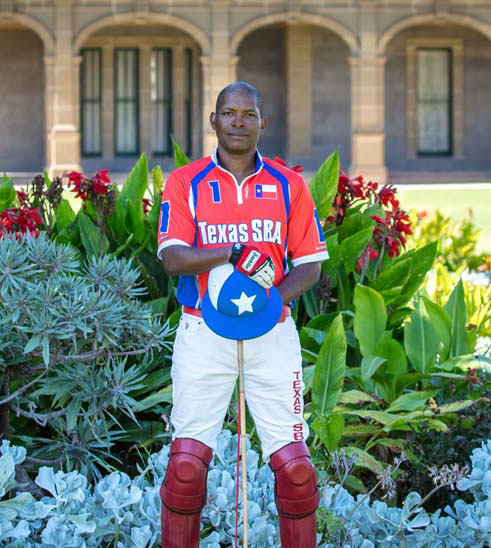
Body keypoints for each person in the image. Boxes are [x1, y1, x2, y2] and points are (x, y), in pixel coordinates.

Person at [155, 81, 329, 548]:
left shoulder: (289, 185)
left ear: (262, 123)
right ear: (214, 120)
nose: (238, 122)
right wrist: (230, 252)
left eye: (248, 114)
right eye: (229, 113)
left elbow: (310, 265)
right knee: (186, 467)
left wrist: (270, 305)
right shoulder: (185, 182)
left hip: (272, 333)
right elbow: (173, 258)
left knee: (295, 470)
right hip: (203, 329)